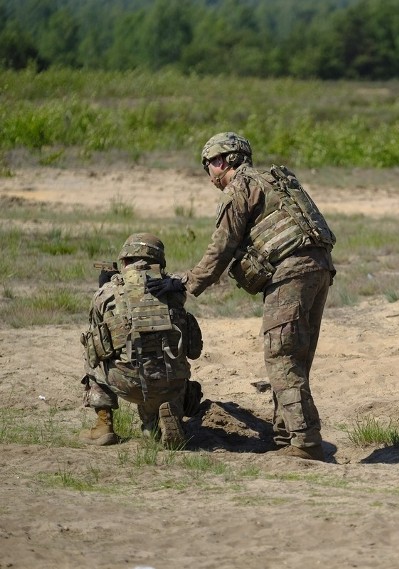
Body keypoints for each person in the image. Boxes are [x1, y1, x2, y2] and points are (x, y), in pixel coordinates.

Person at [151, 132, 335, 461]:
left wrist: (185, 283)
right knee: (297, 356)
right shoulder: (272, 179)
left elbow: (222, 247)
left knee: (281, 358)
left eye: (208, 164)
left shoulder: (240, 188)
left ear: (222, 161)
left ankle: (306, 442)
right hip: (319, 269)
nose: (208, 172)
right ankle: (284, 433)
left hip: (290, 273)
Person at [79, 233, 204, 448]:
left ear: (124, 260)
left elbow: (96, 343)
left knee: (93, 351)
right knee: (162, 359)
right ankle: (157, 422)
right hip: (171, 383)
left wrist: (103, 285)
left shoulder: (107, 294)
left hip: (127, 383)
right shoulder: (174, 291)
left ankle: (103, 426)